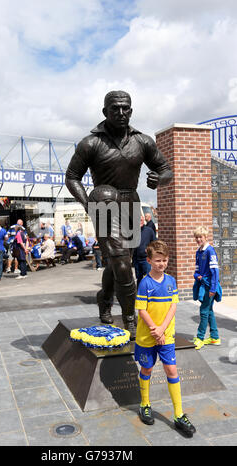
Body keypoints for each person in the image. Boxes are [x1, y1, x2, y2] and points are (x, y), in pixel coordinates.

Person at [65, 90, 173, 334]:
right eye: (115, 108)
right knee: (122, 263)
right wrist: (88, 205)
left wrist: (161, 178)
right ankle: (130, 318)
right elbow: (72, 177)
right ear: (105, 112)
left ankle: (104, 298)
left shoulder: (143, 141)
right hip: (103, 203)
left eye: (126, 108)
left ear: (131, 111)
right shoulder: (90, 143)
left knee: (118, 263)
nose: (121, 113)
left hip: (131, 203)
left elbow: (166, 168)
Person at [135, 240, 196, 437]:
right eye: (158, 260)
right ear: (149, 260)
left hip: (166, 334)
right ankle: (145, 404)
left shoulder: (171, 281)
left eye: (165, 260)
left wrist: (162, 329)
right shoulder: (145, 283)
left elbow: (173, 306)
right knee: (147, 368)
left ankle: (179, 414)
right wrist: (154, 329)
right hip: (148, 336)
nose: (161, 263)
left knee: (171, 369)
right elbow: (141, 310)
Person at [192, 226, 221, 350]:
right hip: (202, 285)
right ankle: (214, 337)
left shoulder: (210, 251)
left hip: (210, 286)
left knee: (203, 311)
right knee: (209, 311)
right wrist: (197, 276)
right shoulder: (198, 252)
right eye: (196, 237)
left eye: (200, 237)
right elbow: (197, 270)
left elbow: (215, 271)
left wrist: (213, 289)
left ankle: (200, 338)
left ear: (205, 237)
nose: (198, 239)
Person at [132, 216, 156, 287]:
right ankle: (140, 294)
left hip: (146, 259)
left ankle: (149, 293)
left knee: (148, 277)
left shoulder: (149, 231)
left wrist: (149, 249)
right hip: (136, 259)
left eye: (141, 220)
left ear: (143, 221)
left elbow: (154, 242)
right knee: (138, 278)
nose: (139, 221)